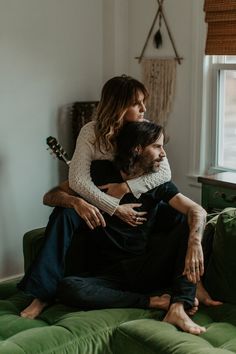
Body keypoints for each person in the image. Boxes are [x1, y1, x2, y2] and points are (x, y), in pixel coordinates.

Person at [18, 75, 172, 318]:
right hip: (101, 201)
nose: (144, 109)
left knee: (180, 214)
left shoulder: (145, 129)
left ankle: (186, 289)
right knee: (65, 212)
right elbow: (78, 180)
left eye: (144, 102)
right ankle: (42, 294)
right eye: (137, 103)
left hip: (137, 207)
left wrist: (125, 189)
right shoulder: (91, 131)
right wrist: (110, 206)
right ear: (118, 106)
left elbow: (165, 173)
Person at [52, 121, 214, 334]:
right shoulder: (97, 175)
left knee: (191, 222)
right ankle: (154, 302)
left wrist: (194, 244)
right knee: (68, 287)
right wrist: (78, 202)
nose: (163, 155)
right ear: (137, 148)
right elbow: (51, 195)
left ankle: (178, 305)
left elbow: (197, 210)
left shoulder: (156, 182)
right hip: (109, 275)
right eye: (157, 147)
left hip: (146, 267)